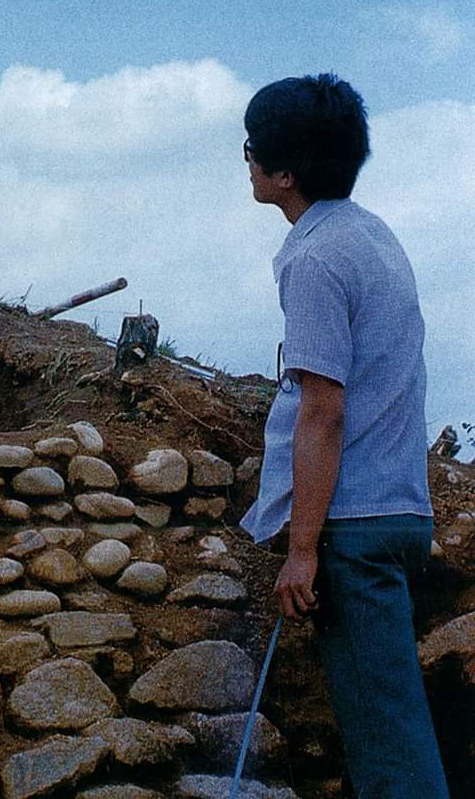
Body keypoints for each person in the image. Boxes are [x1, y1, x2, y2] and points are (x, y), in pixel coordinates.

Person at [240, 74, 448, 799]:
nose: (247, 160)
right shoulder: (372, 235)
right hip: (398, 507)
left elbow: (323, 410)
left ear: (285, 173)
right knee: (390, 722)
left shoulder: (314, 258)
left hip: (352, 526)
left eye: (252, 149)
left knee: (390, 753)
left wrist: (302, 548)